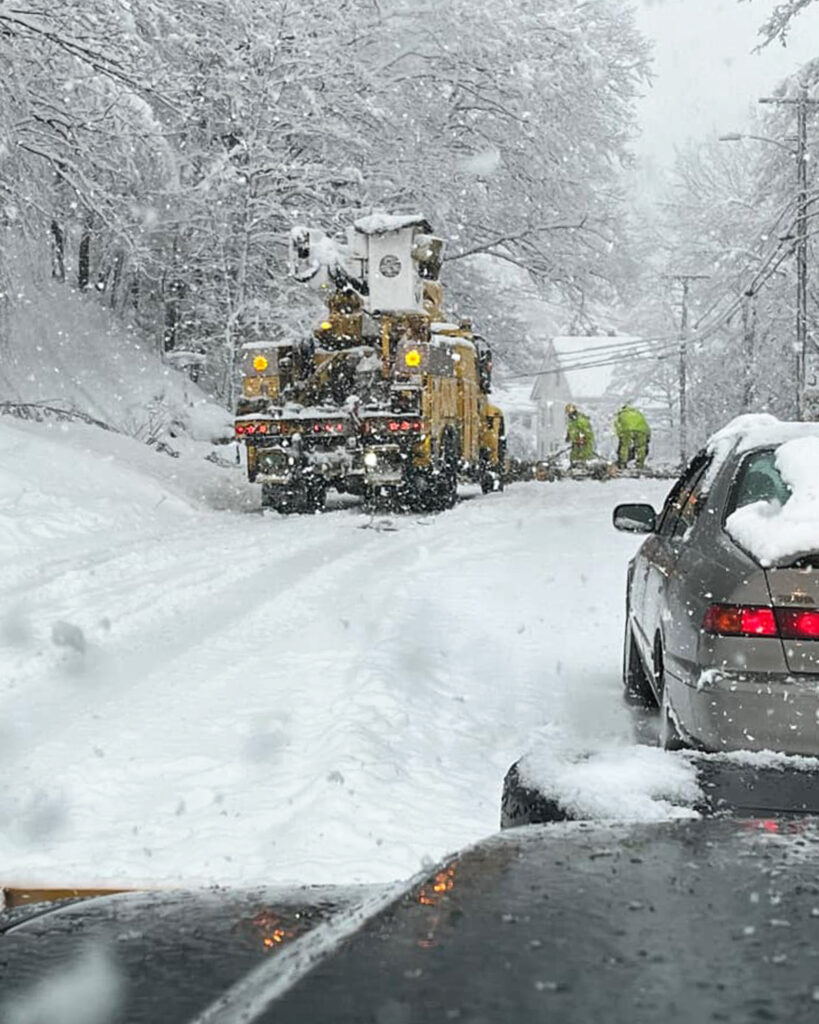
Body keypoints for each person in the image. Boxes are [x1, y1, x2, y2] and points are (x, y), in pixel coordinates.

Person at [614, 403, 650, 469]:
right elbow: (646, 425)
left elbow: (617, 425)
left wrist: (620, 435)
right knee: (641, 447)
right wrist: (648, 437)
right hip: (641, 430)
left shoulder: (621, 414)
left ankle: (622, 463)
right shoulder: (638, 414)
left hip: (626, 430)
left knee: (625, 446)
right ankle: (640, 464)